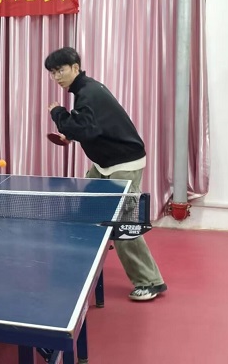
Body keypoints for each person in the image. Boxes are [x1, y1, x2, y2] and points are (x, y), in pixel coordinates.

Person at [45, 46, 167, 302]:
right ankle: (84, 265)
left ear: (75, 67)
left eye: (60, 70)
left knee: (122, 225)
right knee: (86, 212)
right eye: (52, 72)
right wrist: (71, 133)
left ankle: (150, 281)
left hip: (124, 164)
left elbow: (85, 129)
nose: (56, 76)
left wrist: (58, 113)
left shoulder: (88, 93)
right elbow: (92, 127)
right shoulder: (86, 90)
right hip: (104, 164)